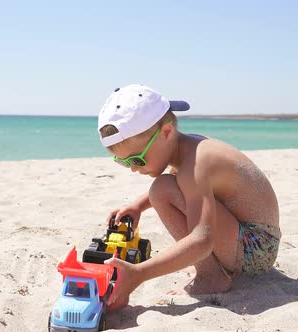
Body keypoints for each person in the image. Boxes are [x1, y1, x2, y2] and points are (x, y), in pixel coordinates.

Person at [97, 84, 281, 311]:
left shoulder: (195, 165)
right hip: (255, 241)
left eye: (137, 159)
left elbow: (201, 240)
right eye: (124, 162)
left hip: (256, 248)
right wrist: (137, 206)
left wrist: (138, 274)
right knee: (162, 188)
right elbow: (183, 186)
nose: (133, 169)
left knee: (162, 189)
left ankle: (211, 276)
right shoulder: (189, 149)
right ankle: (213, 269)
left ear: (166, 132)